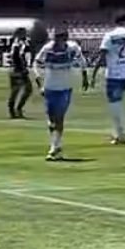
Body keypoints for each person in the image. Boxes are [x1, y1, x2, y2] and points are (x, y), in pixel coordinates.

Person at [33, 28, 89, 161]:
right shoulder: (47, 49)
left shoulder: (72, 48)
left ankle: (55, 147)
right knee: (51, 121)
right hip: (50, 87)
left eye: (60, 39)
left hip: (65, 87)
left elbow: (82, 61)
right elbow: (36, 63)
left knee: (59, 118)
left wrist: (85, 77)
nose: (57, 42)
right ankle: (56, 146)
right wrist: (40, 83)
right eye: (55, 39)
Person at [92, 13, 125, 144]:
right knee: (118, 102)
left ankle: (120, 133)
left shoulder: (110, 35)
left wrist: (94, 73)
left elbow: (102, 55)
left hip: (114, 73)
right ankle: (118, 131)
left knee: (114, 103)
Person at [7, 27, 33, 119]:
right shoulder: (19, 43)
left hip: (14, 69)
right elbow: (17, 56)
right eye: (24, 33)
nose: (26, 35)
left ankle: (13, 110)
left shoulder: (16, 42)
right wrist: (23, 68)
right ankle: (16, 109)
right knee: (23, 89)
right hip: (18, 70)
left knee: (16, 90)